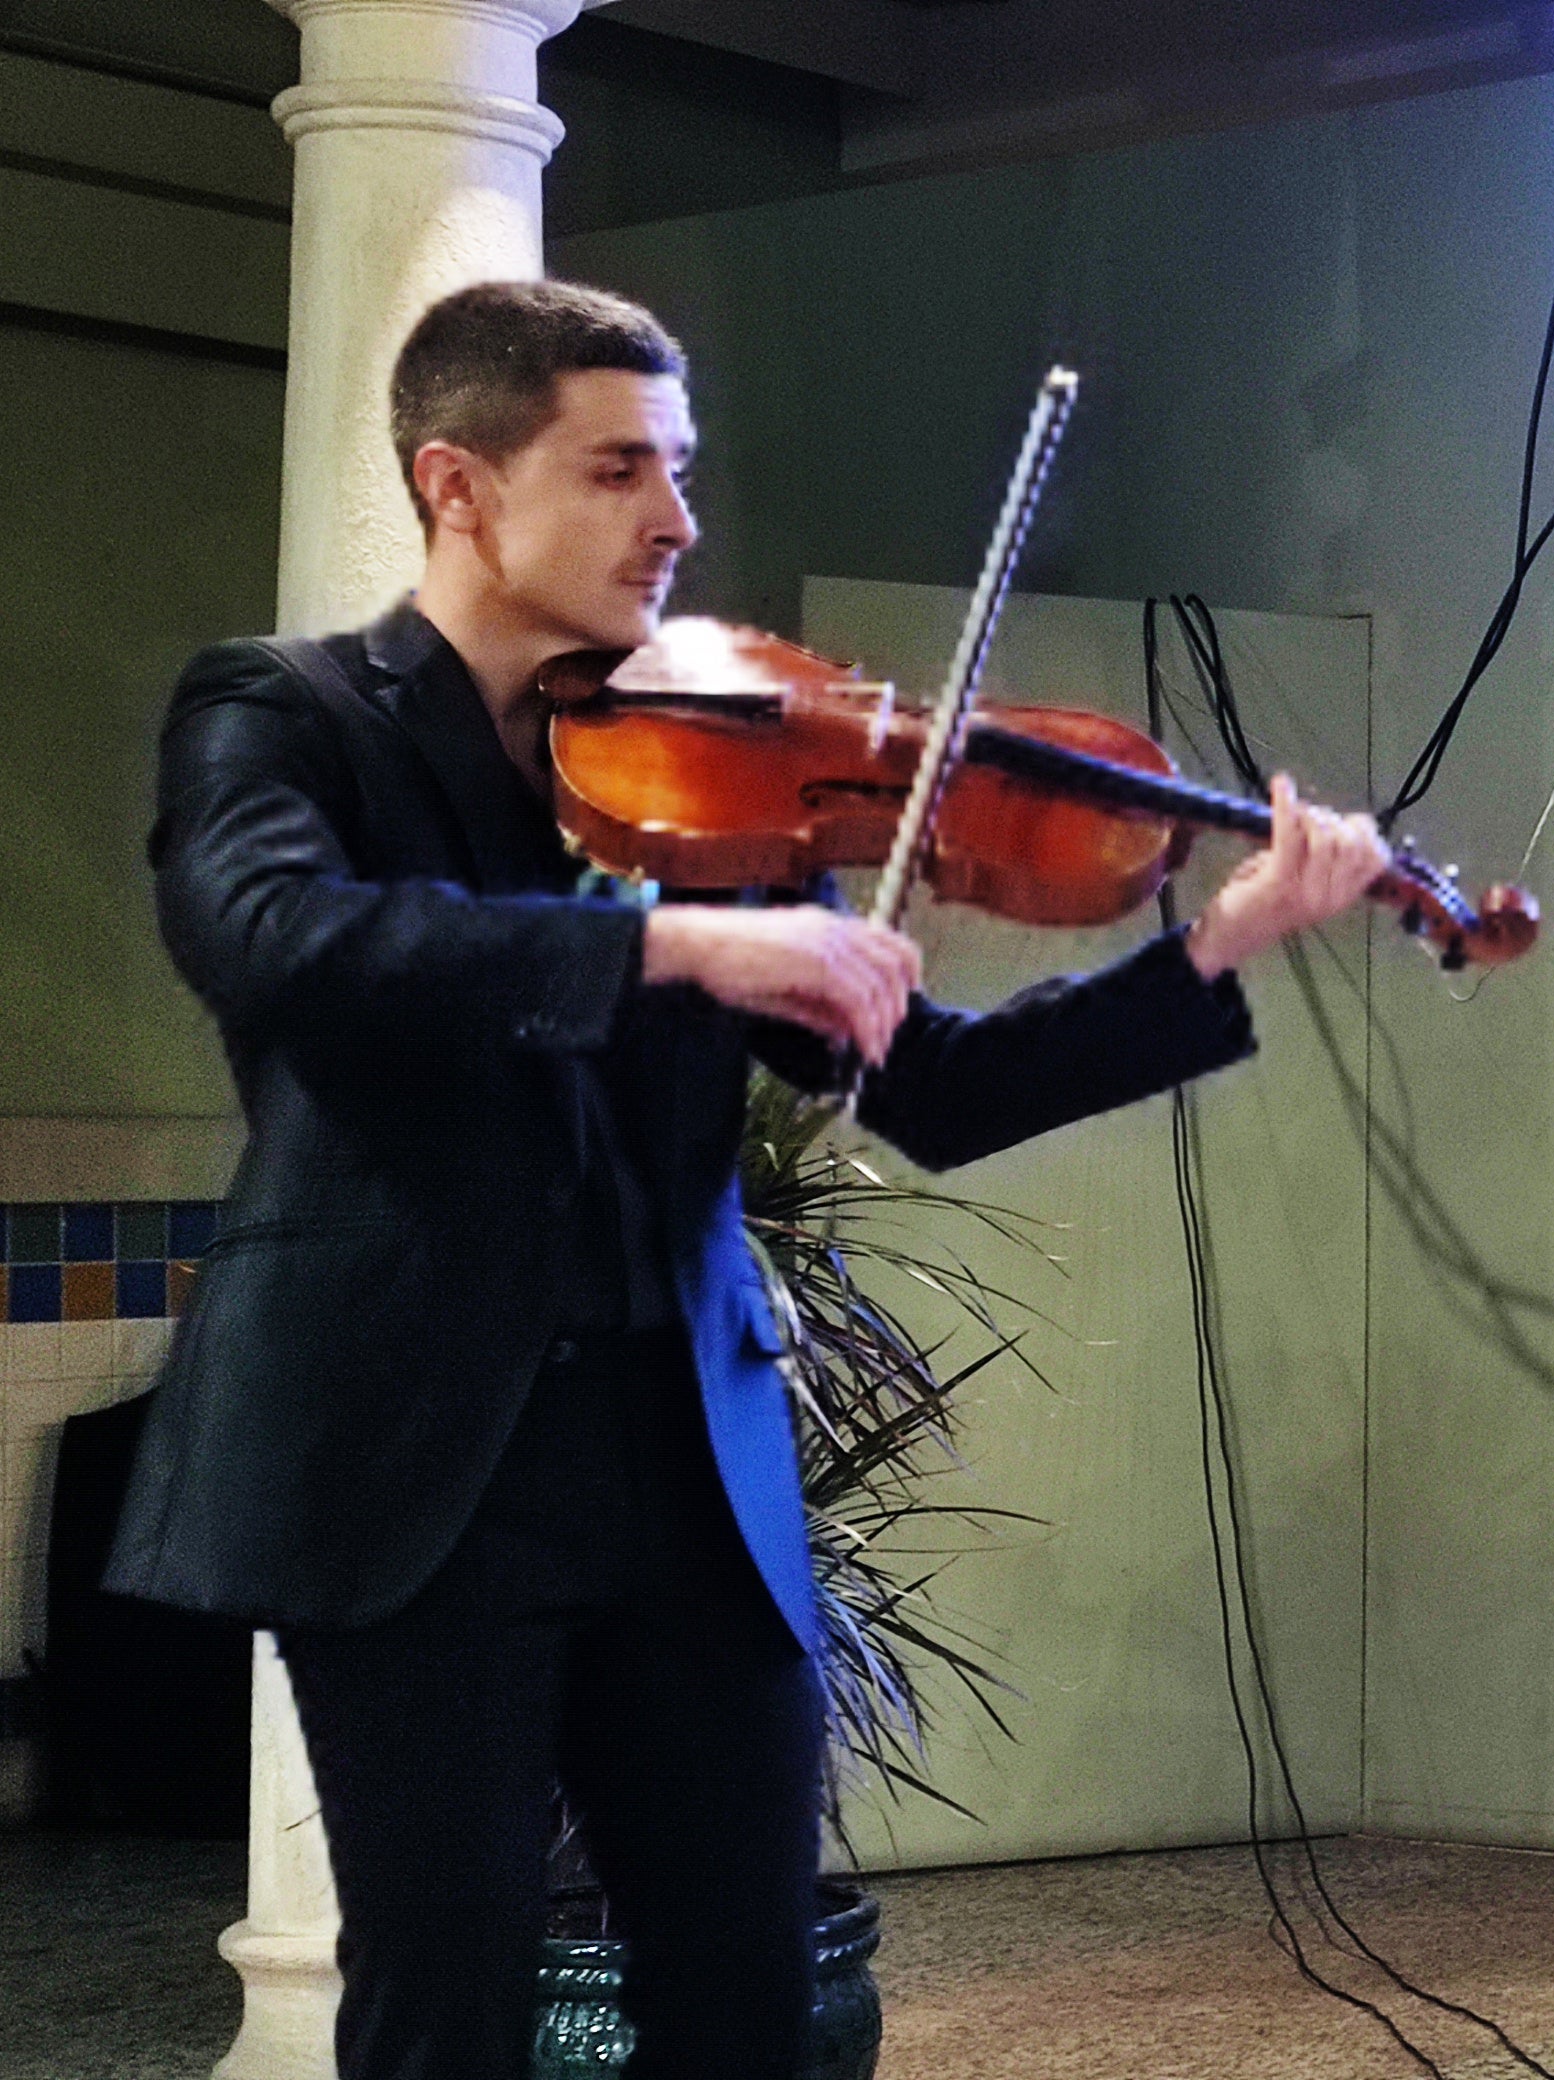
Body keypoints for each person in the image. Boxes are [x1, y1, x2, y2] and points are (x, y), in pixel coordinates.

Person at [106, 279, 1394, 2080]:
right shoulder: (287, 714)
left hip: (686, 1471)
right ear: (457, 486)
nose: (678, 520)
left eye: (682, 469)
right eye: (619, 467)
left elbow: (938, 1084)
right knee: (442, 2006)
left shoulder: (709, 767)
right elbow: (279, 943)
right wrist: (675, 958)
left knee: (746, 2002)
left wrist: (1220, 946)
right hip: (416, 1477)